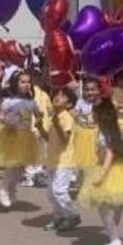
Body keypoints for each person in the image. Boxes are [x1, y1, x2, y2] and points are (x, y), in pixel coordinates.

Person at [77, 98, 123, 245]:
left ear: (100, 115)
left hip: (109, 169)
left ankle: (114, 238)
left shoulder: (105, 133)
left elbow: (110, 152)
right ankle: (113, 231)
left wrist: (102, 173)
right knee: (116, 202)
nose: (92, 115)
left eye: (94, 113)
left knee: (103, 206)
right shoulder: (111, 130)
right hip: (120, 169)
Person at [0, 71, 42, 209]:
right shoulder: (9, 102)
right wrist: (6, 121)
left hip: (26, 136)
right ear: (15, 84)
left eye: (28, 82)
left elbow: (38, 114)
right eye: (23, 82)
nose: (26, 85)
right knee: (12, 165)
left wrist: (40, 117)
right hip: (12, 135)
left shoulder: (31, 102)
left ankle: (12, 189)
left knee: (21, 167)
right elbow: (0, 117)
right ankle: (4, 189)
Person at [42, 86, 82, 232]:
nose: (57, 97)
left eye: (63, 96)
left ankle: (72, 214)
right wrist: (40, 126)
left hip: (64, 161)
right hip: (53, 159)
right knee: (50, 193)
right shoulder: (54, 117)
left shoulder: (66, 117)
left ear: (69, 104)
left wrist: (56, 123)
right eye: (57, 94)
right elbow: (48, 137)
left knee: (59, 190)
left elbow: (65, 139)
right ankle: (58, 216)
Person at [71, 78, 102, 180]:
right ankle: (81, 178)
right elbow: (75, 114)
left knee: (94, 158)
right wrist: (75, 114)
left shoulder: (100, 103)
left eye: (93, 90)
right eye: (87, 90)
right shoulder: (80, 102)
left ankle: (92, 178)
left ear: (98, 91)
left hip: (95, 134)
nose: (90, 92)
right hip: (82, 133)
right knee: (82, 158)